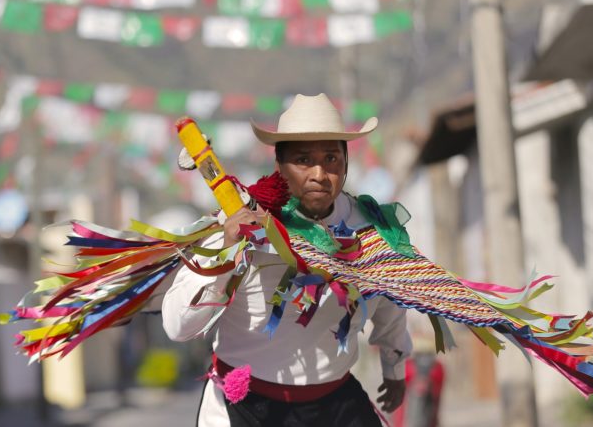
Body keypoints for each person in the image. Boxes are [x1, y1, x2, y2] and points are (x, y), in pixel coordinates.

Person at [162, 93, 412, 427]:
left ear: (346, 162)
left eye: (331, 158)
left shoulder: (370, 228)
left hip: (335, 405)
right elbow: (177, 326)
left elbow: (390, 300)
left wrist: (394, 367)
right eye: (304, 159)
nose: (319, 173)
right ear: (279, 166)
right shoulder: (239, 222)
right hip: (246, 408)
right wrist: (227, 248)